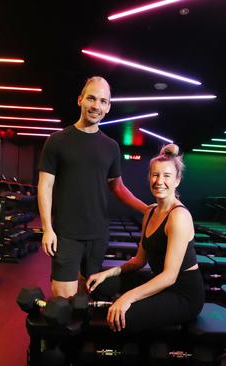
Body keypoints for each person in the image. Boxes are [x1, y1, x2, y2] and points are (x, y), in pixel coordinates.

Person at [38, 76, 147, 298]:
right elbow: (45, 186)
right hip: (66, 233)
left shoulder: (111, 146)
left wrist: (147, 209)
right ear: (80, 100)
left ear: (108, 107)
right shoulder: (57, 141)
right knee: (62, 301)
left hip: (98, 234)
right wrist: (47, 228)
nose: (96, 106)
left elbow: (118, 187)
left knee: (86, 296)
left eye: (102, 101)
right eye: (91, 98)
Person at [86, 144, 204, 334]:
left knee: (123, 317)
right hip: (160, 283)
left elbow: (169, 276)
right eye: (155, 175)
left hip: (182, 294)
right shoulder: (150, 211)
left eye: (166, 176)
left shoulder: (179, 216)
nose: (159, 181)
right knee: (101, 285)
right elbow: (139, 261)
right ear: (149, 177)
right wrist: (107, 273)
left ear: (177, 180)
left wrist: (127, 298)